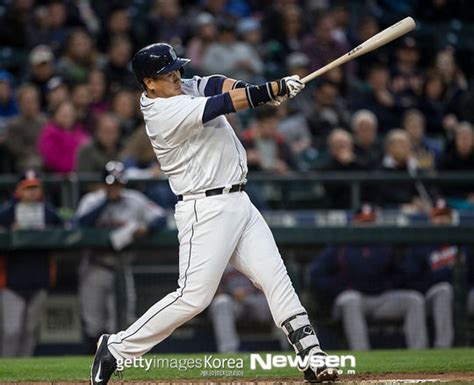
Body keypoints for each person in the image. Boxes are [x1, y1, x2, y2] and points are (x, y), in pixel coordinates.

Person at [90, 43, 337, 384]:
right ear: (149, 83)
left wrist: (262, 92)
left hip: (239, 200)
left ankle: (311, 353)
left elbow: (219, 85)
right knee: (193, 298)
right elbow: (223, 104)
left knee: (275, 276)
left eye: (176, 68)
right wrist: (267, 92)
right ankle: (116, 348)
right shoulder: (162, 113)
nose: (176, 75)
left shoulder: (182, 87)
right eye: (167, 73)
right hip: (203, 208)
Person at [75, 161, 166, 354]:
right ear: (102, 184)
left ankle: (114, 366)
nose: (115, 188)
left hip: (122, 267)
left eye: (118, 184)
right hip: (95, 267)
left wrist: (147, 228)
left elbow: (160, 217)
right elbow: (79, 225)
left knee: (121, 324)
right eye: (111, 184)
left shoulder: (134, 199)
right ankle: (89, 367)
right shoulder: (92, 201)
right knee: (93, 324)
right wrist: (106, 201)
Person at [310, 204, 428, 351]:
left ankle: (420, 354)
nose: (366, 226)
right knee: (351, 300)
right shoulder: (341, 244)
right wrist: (341, 288)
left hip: (382, 298)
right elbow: (316, 274)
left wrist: (388, 284)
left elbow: (401, 273)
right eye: (362, 221)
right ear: (354, 222)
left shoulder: (385, 244)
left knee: (414, 300)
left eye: (370, 221)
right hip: (353, 299)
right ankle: (362, 355)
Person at [0, 171, 63, 356]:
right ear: (19, 190)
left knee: (30, 331)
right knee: (12, 332)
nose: (32, 192)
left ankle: (23, 372)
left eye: (35, 188)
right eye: (28, 188)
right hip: (11, 281)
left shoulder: (48, 212)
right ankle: (6, 373)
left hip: (40, 278)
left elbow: (67, 229)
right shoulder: (7, 212)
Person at [403, 199, 459, 348]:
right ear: (431, 219)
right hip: (430, 295)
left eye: (445, 216)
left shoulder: (463, 241)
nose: (441, 220)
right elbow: (411, 277)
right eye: (437, 216)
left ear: (451, 218)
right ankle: (443, 348)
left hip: (464, 293)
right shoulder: (421, 243)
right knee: (444, 289)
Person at [210, 266, 286, 353]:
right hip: (233, 303)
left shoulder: (257, 258)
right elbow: (213, 289)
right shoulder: (219, 260)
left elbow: (269, 285)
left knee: (277, 299)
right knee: (221, 302)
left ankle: (286, 348)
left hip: (255, 299)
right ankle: (229, 352)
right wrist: (231, 294)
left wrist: (248, 292)